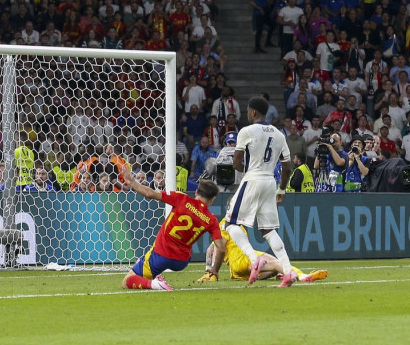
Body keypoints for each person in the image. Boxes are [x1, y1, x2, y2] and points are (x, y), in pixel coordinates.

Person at [224, 96, 297, 288]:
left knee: (230, 224)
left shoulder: (247, 131)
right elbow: (287, 167)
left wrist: (245, 171)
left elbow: (236, 162)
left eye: (248, 111)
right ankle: (288, 271)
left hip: (253, 178)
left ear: (253, 112)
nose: (247, 114)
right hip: (270, 182)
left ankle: (253, 258)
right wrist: (282, 188)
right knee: (268, 230)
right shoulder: (280, 135)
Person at [119, 162, 225, 291]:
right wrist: (214, 270)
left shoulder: (182, 198)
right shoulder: (211, 219)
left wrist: (132, 183)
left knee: (127, 281)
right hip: (181, 261)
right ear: (212, 199)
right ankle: (147, 270)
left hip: (161, 254)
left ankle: (155, 284)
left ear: (196, 191)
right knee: (145, 261)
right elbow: (221, 248)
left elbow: (150, 194)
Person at [198, 218, 328, 283]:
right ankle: (302, 276)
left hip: (236, 271)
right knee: (277, 262)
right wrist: (213, 271)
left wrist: (209, 272)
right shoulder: (227, 223)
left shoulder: (233, 226)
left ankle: (282, 275)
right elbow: (218, 248)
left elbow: (210, 249)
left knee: (272, 269)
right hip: (243, 259)